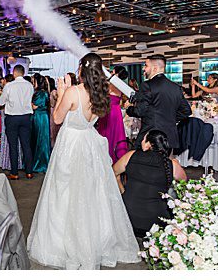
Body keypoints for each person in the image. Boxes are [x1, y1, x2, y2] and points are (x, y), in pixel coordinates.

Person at [27, 53, 140, 270]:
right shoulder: (102, 92)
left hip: (71, 143)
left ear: (81, 69)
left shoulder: (73, 91)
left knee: (65, 192)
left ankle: (66, 244)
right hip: (90, 142)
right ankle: (97, 240)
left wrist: (61, 93)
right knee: (93, 193)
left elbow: (57, 119)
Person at [113, 130, 187, 238]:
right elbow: (183, 182)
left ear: (149, 144)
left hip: (127, 217)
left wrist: (123, 191)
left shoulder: (130, 155)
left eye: (144, 139)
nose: (142, 141)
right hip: (155, 222)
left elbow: (114, 173)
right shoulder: (171, 164)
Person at [126, 55, 191, 151]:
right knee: (163, 165)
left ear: (155, 68)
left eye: (146, 65)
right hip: (169, 138)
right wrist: (169, 118)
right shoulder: (176, 87)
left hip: (150, 138)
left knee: (139, 163)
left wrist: (129, 108)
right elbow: (186, 111)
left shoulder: (147, 85)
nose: (144, 69)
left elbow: (139, 112)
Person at [0, 65, 35, 180]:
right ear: (23, 73)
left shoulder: (9, 86)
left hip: (12, 118)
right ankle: (29, 172)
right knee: (26, 145)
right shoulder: (30, 85)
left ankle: (14, 173)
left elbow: (0, 102)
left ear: (14, 73)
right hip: (26, 117)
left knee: (13, 146)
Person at [97, 66, 129, 163]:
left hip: (109, 112)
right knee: (115, 134)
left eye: (112, 71)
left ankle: (107, 157)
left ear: (116, 73)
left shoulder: (112, 84)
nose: (111, 73)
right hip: (116, 112)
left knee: (108, 134)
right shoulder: (120, 84)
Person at [30, 75, 51, 174]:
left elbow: (34, 107)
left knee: (40, 140)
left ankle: (40, 164)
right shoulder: (43, 92)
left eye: (33, 81)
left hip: (39, 117)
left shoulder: (40, 93)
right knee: (41, 139)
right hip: (42, 117)